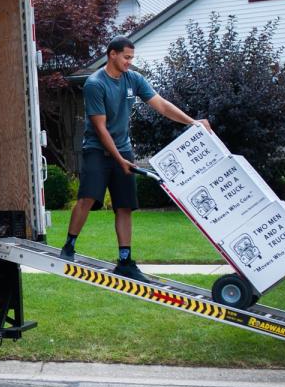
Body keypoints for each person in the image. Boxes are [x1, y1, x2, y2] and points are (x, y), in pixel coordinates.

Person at [60, 36, 211, 282]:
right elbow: (100, 128)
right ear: (112, 54)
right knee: (87, 198)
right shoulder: (95, 84)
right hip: (97, 150)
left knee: (125, 205)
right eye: (126, 57)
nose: (130, 62)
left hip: (123, 148)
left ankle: (125, 261)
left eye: (132, 58)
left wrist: (192, 122)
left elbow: (161, 105)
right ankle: (69, 247)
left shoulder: (133, 79)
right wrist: (119, 159)